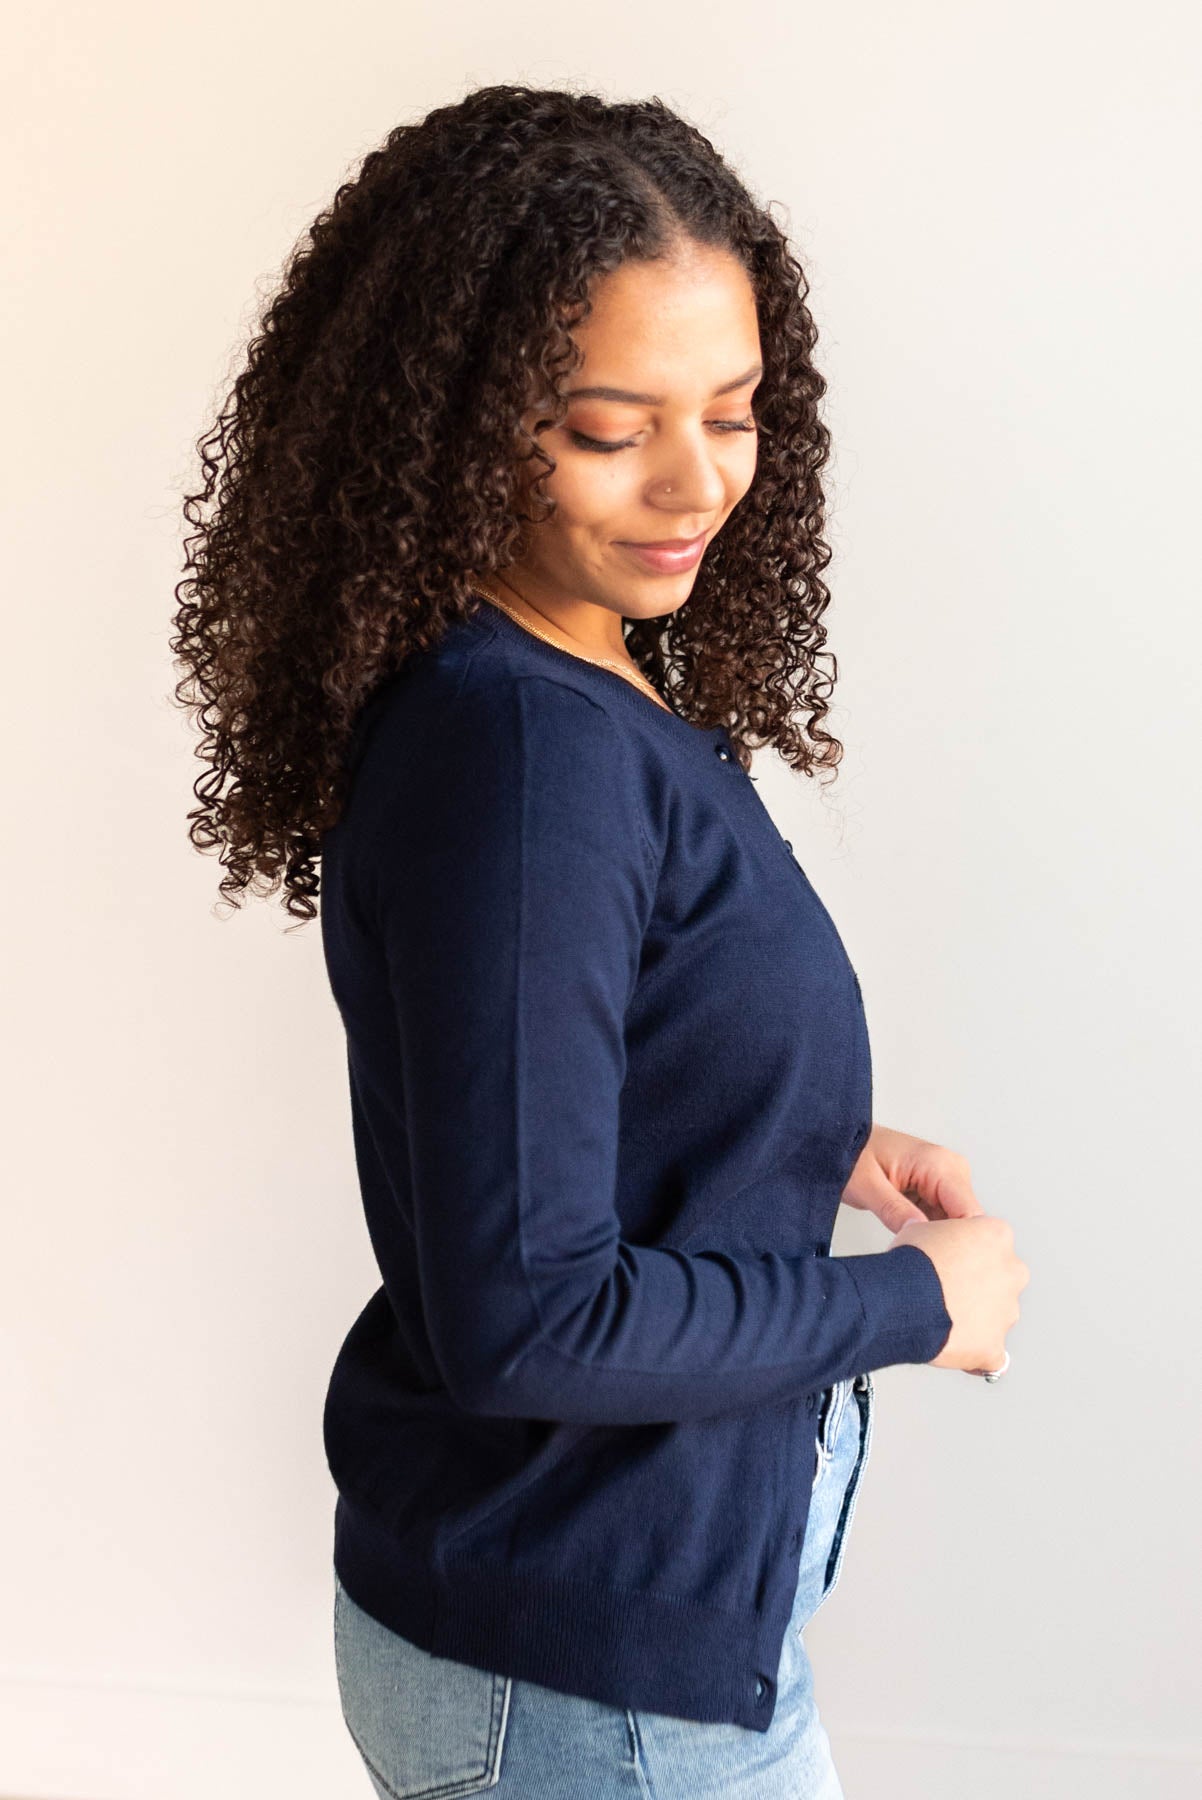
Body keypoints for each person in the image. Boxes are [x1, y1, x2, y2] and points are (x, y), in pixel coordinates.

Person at [172, 83, 1029, 1799]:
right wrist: (905, 1309)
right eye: (603, 424)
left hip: (595, 1646)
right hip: (584, 1690)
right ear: (464, 421)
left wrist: (789, 1134)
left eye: (734, 409)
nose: (693, 481)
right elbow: (529, 1323)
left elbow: (552, 1059)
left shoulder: (556, 678)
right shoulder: (525, 751)